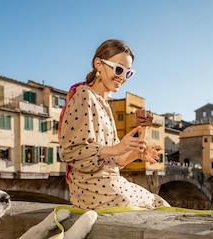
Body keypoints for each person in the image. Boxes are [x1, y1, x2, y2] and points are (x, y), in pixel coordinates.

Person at [58, 39, 170, 210]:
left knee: (158, 203)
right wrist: (117, 148)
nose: (123, 78)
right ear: (98, 64)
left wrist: (135, 154)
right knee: (157, 205)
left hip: (107, 183)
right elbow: (69, 152)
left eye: (128, 73)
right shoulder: (84, 96)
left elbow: (113, 161)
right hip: (91, 190)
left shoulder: (105, 104)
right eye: (118, 69)